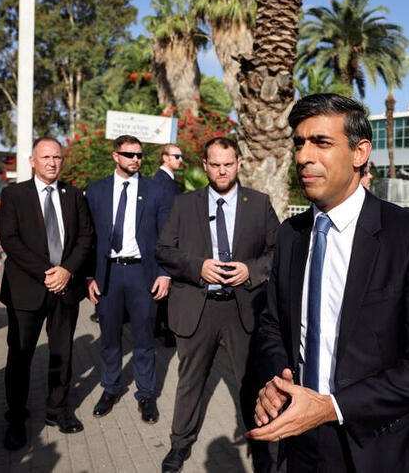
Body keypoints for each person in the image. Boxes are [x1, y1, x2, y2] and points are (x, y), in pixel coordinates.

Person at [246, 93, 409, 472]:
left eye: (321, 143)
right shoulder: (291, 235)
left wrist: (333, 407)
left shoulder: (407, 235)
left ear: (359, 153)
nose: (303, 157)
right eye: (299, 143)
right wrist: (279, 382)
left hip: (380, 448)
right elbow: (273, 325)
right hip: (303, 447)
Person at [156, 137, 279, 473]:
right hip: (198, 306)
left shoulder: (259, 203)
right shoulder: (184, 205)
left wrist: (250, 271)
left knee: (252, 384)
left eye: (228, 163)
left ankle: (264, 447)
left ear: (239, 163)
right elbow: (164, 250)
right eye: (215, 164)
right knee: (190, 383)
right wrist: (198, 267)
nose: (222, 170)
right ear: (206, 166)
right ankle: (179, 446)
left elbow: (277, 252)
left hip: (243, 310)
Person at [0, 137, 94, 450]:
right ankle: (15, 418)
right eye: (46, 157)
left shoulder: (74, 194)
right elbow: (10, 241)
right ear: (32, 160)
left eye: (57, 157)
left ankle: (58, 410)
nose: (52, 163)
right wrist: (47, 272)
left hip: (65, 288)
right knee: (20, 357)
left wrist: (66, 271)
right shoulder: (13, 195)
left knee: (62, 354)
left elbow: (85, 237)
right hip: (27, 289)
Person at [85, 134, 170, 424]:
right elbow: (89, 238)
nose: (136, 159)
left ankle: (146, 395)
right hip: (108, 274)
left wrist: (165, 274)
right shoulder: (95, 191)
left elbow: (166, 237)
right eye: (129, 154)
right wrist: (88, 277)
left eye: (139, 155)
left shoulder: (155, 190)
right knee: (109, 337)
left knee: (145, 337)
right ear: (115, 156)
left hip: (141, 274)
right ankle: (110, 388)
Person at [151, 143, 183, 347]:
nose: (181, 159)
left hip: (166, 245)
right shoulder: (162, 183)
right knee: (165, 289)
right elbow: (166, 220)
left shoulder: (167, 181)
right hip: (165, 245)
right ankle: (167, 332)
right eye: (177, 156)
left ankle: (161, 328)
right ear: (165, 158)